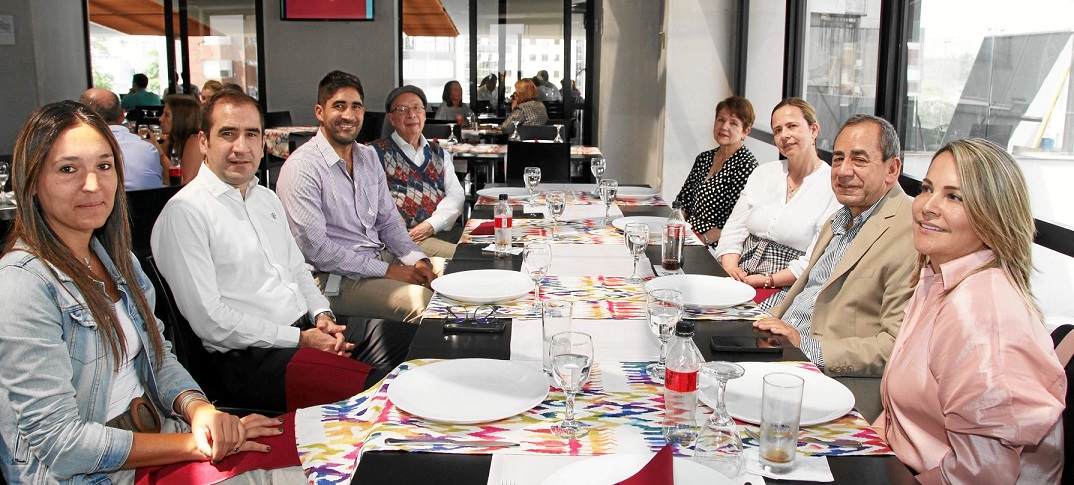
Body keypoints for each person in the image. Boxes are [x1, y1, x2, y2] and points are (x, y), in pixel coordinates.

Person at [0, 100, 302, 483]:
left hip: (163, 437)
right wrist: (196, 443)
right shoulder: (21, 284)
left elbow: (159, 358)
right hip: (97, 474)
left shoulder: (117, 260)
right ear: (32, 181)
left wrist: (199, 410)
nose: (92, 184)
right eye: (68, 169)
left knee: (312, 455)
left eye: (104, 166)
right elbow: (61, 445)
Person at [151, 89, 408, 412]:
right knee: (393, 394)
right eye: (227, 134)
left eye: (251, 135)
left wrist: (323, 316)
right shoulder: (186, 212)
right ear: (204, 141)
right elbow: (211, 322)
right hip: (253, 361)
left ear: (262, 143)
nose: (240, 147)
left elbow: (298, 269)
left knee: (423, 343)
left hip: (305, 330)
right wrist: (300, 339)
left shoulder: (266, 199)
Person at [874, 138, 1065, 483]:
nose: (927, 206)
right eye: (927, 188)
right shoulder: (938, 276)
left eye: (954, 196)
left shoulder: (980, 313)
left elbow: (981, 474)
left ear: (994, 215)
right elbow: (897, 417)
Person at [754, 114, 916, 377]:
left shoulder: (911, 229)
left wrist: (804, 346)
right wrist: (749, 319)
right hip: (779, 346)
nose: (842, 171)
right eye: (838, 158)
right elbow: (806, 293)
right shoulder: (839, 218)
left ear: (892, 169)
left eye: (859, 160)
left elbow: (895, 346)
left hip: (827, 376)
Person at [276, 71, 437, 324]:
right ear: (320, 112)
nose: (349, 115)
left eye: (356, 107)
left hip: (375, 257)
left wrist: (418, 261)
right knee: (424, 302)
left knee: (450, 275)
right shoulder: (302, 167)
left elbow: (389, 222)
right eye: (339, 106)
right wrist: (389, 271)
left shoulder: (368, 157)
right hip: (330, 278)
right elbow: (318, 251)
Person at [713, 98, 840, 309]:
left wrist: (767, 280)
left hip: (789, 285)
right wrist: (730, 268)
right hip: (741, 272)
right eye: (778, 130)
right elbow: (734, 229)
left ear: (814, 130)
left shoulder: (831, 186)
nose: (784, 135)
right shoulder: (763, 173)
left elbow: (815, 258)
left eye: (792, 126)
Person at [370, 85, 464, 258]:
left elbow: (456, 195)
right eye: (402, 109)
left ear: (424, 114)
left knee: (487, 249)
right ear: (391, 118)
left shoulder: (439, 152)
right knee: (465, 259)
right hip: (407, 237)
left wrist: (431, 224)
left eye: (417, 108)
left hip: (441, 229)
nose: (411, 114)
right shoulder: (375, 153)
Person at [674, 95, 759, 248]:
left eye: (733, 123)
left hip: (717, 245)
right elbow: (683, 201)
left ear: (745, 132)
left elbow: (733, 221)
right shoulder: (704, 158)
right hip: (689, 237)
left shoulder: (747, 166)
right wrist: (676, 232)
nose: (724, 127)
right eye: (721, 120)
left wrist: (700, 242)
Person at [78, 87, 164, 191]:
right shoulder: (149, 149)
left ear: (81, 117)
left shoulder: (77, 151)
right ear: (122, 115)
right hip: (151, 207)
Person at [153, 94, 202, 184]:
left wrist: (158, 150)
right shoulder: (172, 139)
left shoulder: (195, 141)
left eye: (166, 115)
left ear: (181, 118)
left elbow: (183, 183)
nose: (160, 119)